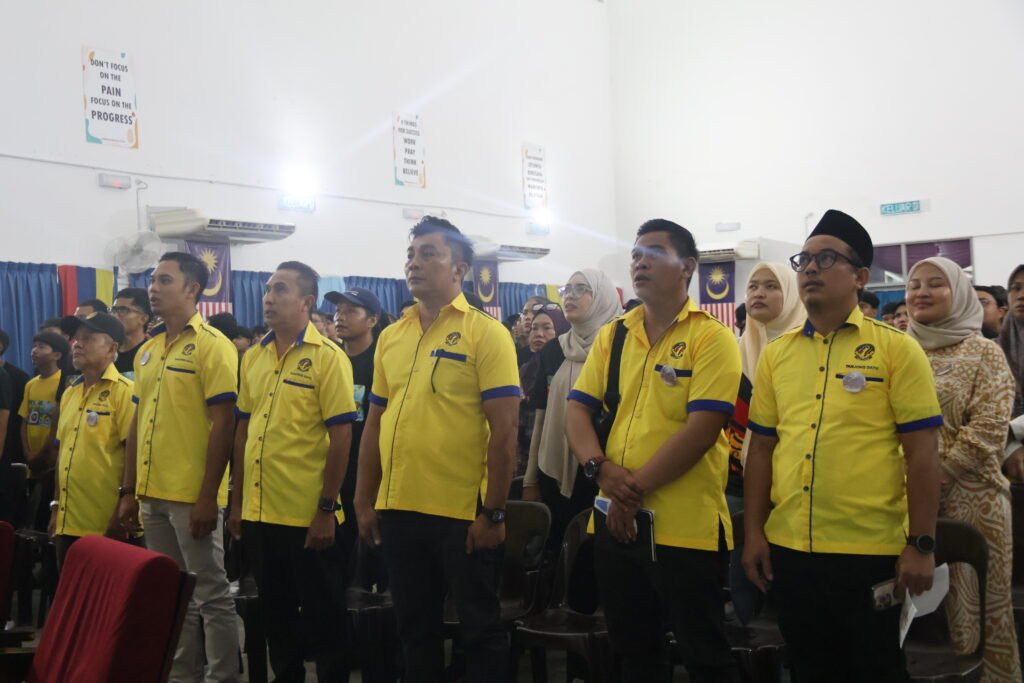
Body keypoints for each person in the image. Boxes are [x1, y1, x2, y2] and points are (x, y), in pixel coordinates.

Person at [742, 209, 942, 682]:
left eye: (827, 258)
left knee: (876, 669)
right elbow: (762, 451)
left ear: (860, 277)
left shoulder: (896, 349)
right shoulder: (777, 355)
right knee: (810, 668)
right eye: (804, 259)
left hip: (868, 552)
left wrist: (921, 543)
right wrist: (754, 534)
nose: (810, 268)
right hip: (791, 548)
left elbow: (922, 453)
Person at [566, 219, 743, 681]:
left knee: (705, 655)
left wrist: (631, 490)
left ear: (687, 266)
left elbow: (702, 430)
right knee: (634, 653)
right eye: (636, 254)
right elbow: (577, 411)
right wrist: (599, 468)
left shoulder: (712, 337)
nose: (640, 262)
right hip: (614, 521)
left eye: (654, 253)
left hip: (685, 528)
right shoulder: (615, 335)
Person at [354, 216, 519, 683]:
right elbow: (375, 422)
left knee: (480, 630)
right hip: (399, 508)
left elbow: (505, 431)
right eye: (411, 254)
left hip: (461, 513)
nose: (414, 263)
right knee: (414, 630)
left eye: (429, 254)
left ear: (459, 269)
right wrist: (364, 499)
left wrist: (495, 513)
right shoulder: (392, 336)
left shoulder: (486, 333)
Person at [228, 262, 357, 682]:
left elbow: (341, 437)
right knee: (276, 617)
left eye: (280, 290)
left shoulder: (329, 358)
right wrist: (237, 502)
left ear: (306, 301)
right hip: (261, 511)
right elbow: (243, 432)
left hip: (307, 514)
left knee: (325, 619)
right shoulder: (254, 358)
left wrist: (326, 509)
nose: (269, 298)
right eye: (267, 290)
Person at [116, 251, 241, 682]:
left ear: (192, 289)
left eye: (164, 280)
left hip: (192, 494)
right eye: (153, 280)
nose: (153, 288)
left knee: (211, 593)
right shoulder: (148, 350)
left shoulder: (213, 346)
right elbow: (138, 421)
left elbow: (224, 423)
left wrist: (208, 496)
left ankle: (223, 676)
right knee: (173, 594)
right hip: (152, 492)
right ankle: (181, 675)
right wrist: (128, 489)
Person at [906, 257, 1021, 681]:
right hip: (903, 500)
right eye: (914, 284)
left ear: (959, 293)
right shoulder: (899, 350)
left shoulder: (984, 352)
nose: (921, 292)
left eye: (935, 284)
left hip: (974, 500)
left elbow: (991, 424)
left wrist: (941, 473)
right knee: (914, 620)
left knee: (983, 615)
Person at [522, 269, 621, 553]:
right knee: (560, 553)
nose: (570, 296)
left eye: (581, 289)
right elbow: (542, 417)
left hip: (603, 471)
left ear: (601, 297)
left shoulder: (618, 347)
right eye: (567, 290)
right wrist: (530, 478)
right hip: (553, 468)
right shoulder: (555, 349)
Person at [49, 313, 137, 569]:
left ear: (111, 348)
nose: (77, 344)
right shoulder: (70, 394)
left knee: (106, 592)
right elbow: (63, 455)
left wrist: (124, 504)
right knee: (71, 590)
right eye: (76, 339)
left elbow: (132, 454)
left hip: (107, 522)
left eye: (87, 338)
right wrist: (55, 507)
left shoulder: (125, 392)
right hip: (68, 521)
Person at [19, 331, 72, 529]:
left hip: (50, 460)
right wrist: (27, 452)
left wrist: (44, 453)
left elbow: (59, 425)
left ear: (57, 355)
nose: (34, 350)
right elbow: (25, 420)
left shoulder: (63, 383)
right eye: (34, 346)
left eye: (42, 347)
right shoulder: (31, 384)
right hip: (32, 459)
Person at [517, 304, 569, 477]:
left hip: (554, 442)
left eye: (547, 328)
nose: (539, 334)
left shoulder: (567, 366)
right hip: (523, 444)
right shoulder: (522, 360)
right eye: (534, 328)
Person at [999, 264, 1024, 482]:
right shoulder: (992, 350)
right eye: (1015, 288)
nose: (1021, 295)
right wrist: (1011, 449)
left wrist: (1012, 429)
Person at [111, 287, 151, 377]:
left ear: (143, 319)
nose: (115, 315)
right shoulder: (108, 352)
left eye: (123, 310)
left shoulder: (151, 354)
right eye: (114, 310)